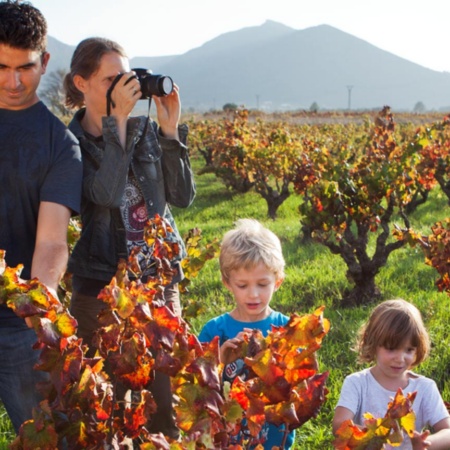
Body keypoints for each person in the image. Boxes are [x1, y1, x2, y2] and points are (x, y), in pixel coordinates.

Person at [63, 37, 195, 439]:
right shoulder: (71, 145)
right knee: (106, 399)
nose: (124, 88)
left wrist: (170, 133)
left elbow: (183, 197)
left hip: (157, 277)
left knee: (164, 396)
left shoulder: (146, 131)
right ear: (81, 83)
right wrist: (115, 122)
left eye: (127, 77)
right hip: (101, 285)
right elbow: (106, 195)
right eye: (110, 79)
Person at [0, 0, 82, 434]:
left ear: (45, 61)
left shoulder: (59, 145)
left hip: (19, 325)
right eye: (1, 67)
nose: (13, 81)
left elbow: (51, 242)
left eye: (26, 68)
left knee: (44, 436)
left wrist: (39, 304)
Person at [198, 218, 295, 449]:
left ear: (278, 281)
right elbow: (197, 387)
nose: (253, 294)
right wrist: (219, 360)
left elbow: (300, 381)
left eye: (262, 284)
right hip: (227, 437)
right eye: (243, 285)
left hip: (274, 438)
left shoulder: (285, 328)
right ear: (227, 283)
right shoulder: (214, 331)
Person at [332, 299, 450, 450]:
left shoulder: (424, 387)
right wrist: (372, 438)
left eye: (408, 350)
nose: (400, 359)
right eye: (391, 349)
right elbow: (339, 425)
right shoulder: (357, 383)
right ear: (372, 342)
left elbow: (448, 432)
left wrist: (425, 444)